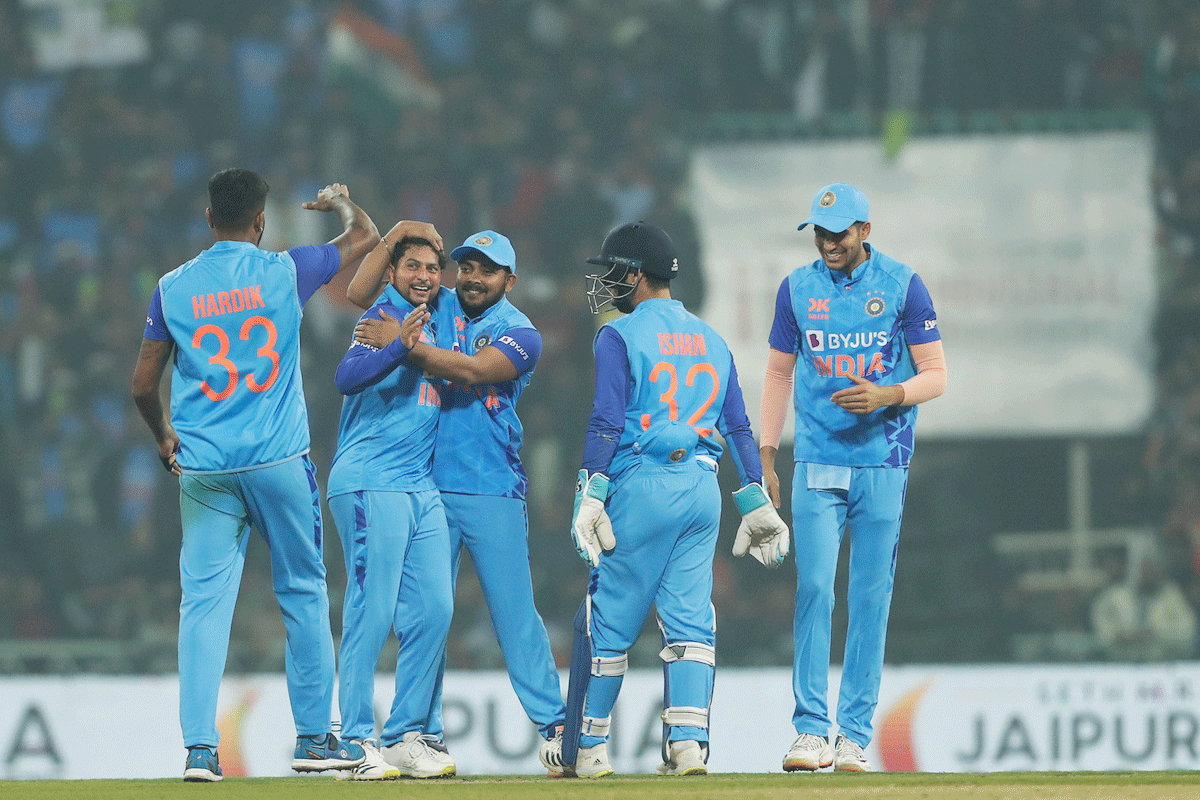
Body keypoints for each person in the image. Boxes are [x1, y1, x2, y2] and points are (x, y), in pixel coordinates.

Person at [130, 170, 387, 782]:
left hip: (206, 470)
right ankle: (313, 740)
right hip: (278, 463)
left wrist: (164, 434)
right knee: (302, 591)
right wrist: (342, 203)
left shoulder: (173, 288)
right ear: (261, 220)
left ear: (208, 215)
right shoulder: (285, 271)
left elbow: (142, 385)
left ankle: (199, 750)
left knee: (204, 606)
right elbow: (368, 238)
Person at [555, 221, 790, 778]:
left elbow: (607, 421)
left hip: (642, 485)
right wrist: (755, 498)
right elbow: (737, 426)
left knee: (608, 622)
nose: (607, 282)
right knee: (689, 621)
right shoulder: (712, 338)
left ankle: (587, 750)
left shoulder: (618, 334)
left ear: (636, 274)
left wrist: (592, 490)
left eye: (613, 271)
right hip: (702, 491)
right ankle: (688, 746)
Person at [351, 230, 566, 773]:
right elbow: (366, 288)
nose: (472, 278)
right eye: (466, 267)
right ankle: (417, 731)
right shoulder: (438, 302)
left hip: (493, 486)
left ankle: (557, 726)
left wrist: (399, 343)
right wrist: (398, 232)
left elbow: (470, 371)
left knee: (514, 614)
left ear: (508, 281)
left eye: (487, 270)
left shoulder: (521, 333)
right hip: (424, 485)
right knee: (427, 615)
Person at [758, 182, 947, 773]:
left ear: (865, 231)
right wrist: (766, 456)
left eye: (838, 233)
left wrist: (891, 393)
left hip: (883, 462)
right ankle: (811, 732)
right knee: (815, 589)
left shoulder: (902, 285)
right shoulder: (797, 289)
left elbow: (936, 374)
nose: (828, 242)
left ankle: (854, 735)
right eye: (819, 232)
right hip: (817, 459)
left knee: (870, 599)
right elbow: (778, 375)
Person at [325, 229, 457, 780]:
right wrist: (398, 343)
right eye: (412, 267)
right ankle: (351, 741)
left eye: (431, 268)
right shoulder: (382, 316)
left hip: (418, 485)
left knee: (437, 609)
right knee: (371, 609)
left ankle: (404, 736)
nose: (423, 276)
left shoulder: (443, 312)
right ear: (393, 272)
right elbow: (346, 377)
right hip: (369, 479)